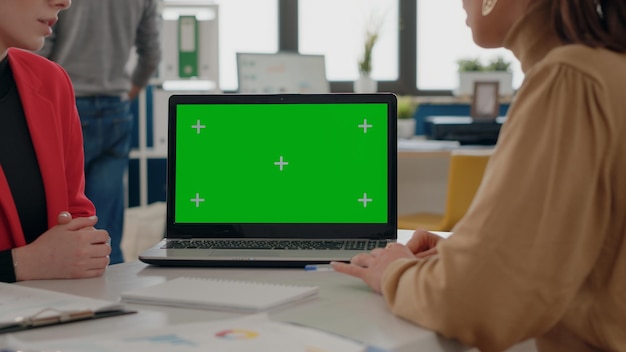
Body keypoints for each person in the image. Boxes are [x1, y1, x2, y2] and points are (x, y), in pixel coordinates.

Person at [333, 0, 626, 351]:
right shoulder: (605, 68)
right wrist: (474, 257)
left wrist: (393, 272)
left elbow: (476, 303)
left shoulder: (569, 78)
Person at [39, 0, 162, 264]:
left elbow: (42, 48)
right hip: (116, 106)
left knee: (58, 217)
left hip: (66, 102)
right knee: (105, 228)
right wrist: (132, 90)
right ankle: (111, 295)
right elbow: (152, 53)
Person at [0, 0, 111, 283]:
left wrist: (83, 249)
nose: (64, 1)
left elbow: (76, 214)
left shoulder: (51, 81)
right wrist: (18, 265)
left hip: (54, 313)